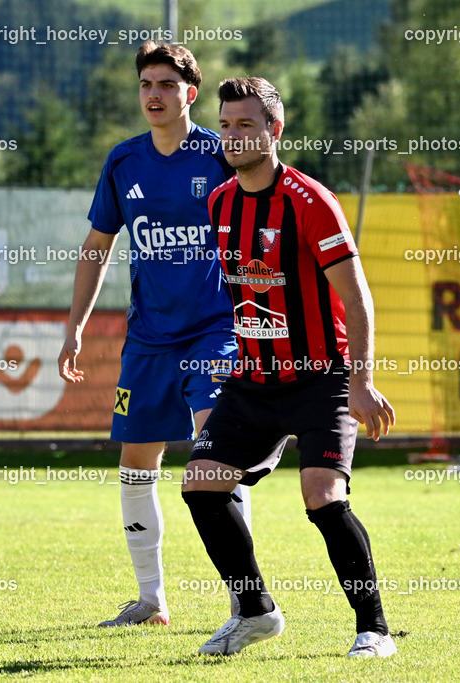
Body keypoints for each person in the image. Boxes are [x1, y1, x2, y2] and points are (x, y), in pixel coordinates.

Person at [180, 77, 398, 658]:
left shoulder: (310, 201)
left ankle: (374, 630)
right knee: (200, 485)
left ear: (274, 130)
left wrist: (362, 382)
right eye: (225, 124)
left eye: (246, 125)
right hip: (253, 379)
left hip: (321, 378)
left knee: (322, 495)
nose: (233, 135)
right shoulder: (220, 200)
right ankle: (255, 612)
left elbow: (357, 298)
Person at [57, 41, 252, 627]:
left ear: (190, 93)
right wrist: (75, 326)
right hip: (148, 339)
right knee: (136, 464)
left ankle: (247, 603)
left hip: (216, 328)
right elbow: (97, 247)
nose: (154, 95)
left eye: (166, 84)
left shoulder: (220, 155)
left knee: (215, 457)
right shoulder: (124, 162)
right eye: (146, 84)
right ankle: (150, 601)